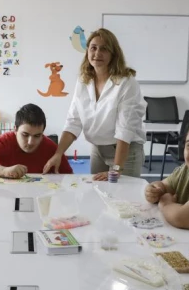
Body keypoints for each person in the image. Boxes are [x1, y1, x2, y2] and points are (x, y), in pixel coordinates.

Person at [44, 28, 146, 180]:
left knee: (122, 193)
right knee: (96, 191)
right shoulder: (84, 80)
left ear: (113, 54)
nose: (97, 53)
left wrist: (116, 169)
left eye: (104, 49)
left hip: (125, 151)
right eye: (93, 48)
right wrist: (58, 154)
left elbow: (125, 130)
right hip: (98, 149)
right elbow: (73, 121)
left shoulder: (127, 83)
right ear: (87, 52)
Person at [0, 103, 72, 178]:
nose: (31, 142)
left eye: (37, 136)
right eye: (25, 135)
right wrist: (4, 171)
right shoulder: (5, 140)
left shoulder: (51, 147)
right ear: (15, 130)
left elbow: (70, 179)